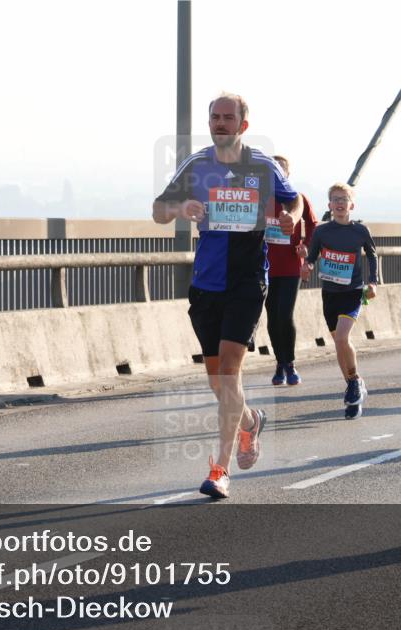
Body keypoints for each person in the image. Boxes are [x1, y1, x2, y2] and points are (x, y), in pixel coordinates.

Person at [152, 93, 303, 499]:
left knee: (230, 372)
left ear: (243, 125)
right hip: (206, 283)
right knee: (218, 381)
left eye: (227, 117)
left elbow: (294, 199)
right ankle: (251, 422)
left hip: (247, 282)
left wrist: (291, 217)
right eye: (215, 117)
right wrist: (180, 207)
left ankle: (220, 469)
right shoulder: (197, 164)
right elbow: (157, 209)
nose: (220, 123)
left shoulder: (263, 165)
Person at [301, 183, 378, 419]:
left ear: (351, 205)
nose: (339, 203)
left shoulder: (360, 231)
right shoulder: (322, 232)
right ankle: (353, 390)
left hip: (352, 292)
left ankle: (354, 382)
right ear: (329, 205)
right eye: (335, 199)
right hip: (330, 294)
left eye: (344, 199)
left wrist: (373, 282)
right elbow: (312, 257)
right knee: (339, 344)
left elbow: (372, 255)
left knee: (343, 337)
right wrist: (307, 265)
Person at [266, 154, 318, 386]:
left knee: (285, 315)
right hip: (265, 267)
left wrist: (307, 246)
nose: (277, 172)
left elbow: (313, 224)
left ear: (287, 174)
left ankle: (290, 363)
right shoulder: (261, 198)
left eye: (281, 169)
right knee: (272, 316)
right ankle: (279, 363)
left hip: (290, 266)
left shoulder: (298, 198)